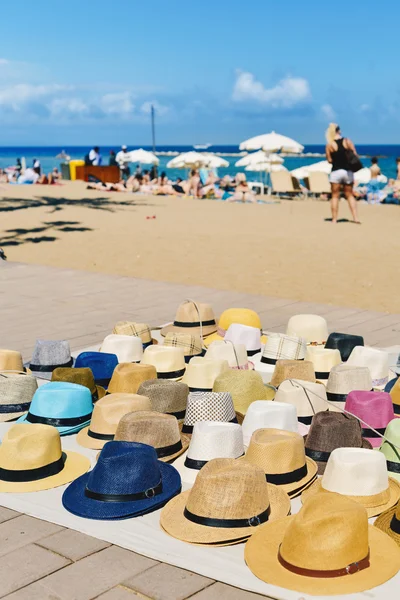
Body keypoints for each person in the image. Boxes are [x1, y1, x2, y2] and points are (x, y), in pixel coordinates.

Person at [325, 123, 360, 224]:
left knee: (335, 196)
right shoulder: (347, 141)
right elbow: (355, 154)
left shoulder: (329, 144)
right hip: (348, 171)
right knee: (349, 195)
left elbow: (329, 160)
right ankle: (355, 218)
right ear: (338, 131)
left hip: (336, 171)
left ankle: (334, 219)